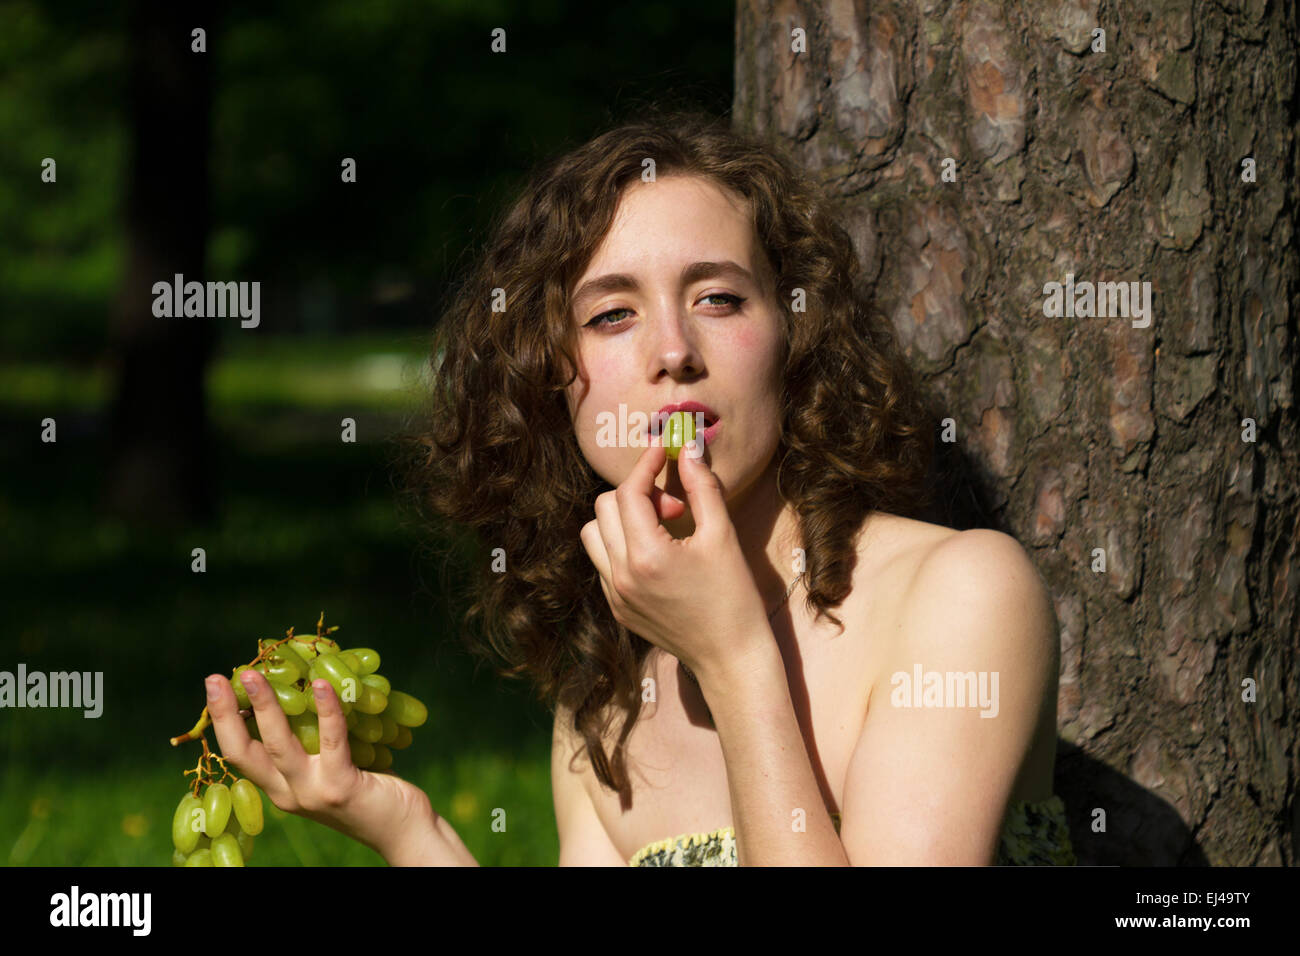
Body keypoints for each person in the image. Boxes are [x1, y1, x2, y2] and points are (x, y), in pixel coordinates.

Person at [207, 109, 1075, 866]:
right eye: (612, 315)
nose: (673, 350)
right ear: (549, 381)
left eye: (721, 299)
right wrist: (410, 831)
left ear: (792, 341)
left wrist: (736, 661)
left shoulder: (960, 593)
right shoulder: (606, 711)